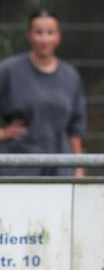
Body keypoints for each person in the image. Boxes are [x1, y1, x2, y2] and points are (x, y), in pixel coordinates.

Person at [0, 10, 86, 177]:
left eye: (50, 32)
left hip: (60, 171)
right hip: (19, 170)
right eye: (39, 32)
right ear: (29, 35)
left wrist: (79, 167)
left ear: (59, 36)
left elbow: (75, 129)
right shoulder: (8, 70)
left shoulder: (71, 76)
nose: (44, 39)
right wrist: (3, 133)